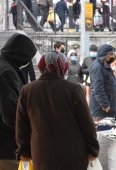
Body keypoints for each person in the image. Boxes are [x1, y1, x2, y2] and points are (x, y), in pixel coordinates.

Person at [16, 51, 99, 170]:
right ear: (63, 66)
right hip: (73, 153)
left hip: (41, 152)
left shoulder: (27, 91)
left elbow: (22, 126)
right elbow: (86, 123)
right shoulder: (73, 89)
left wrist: (23, 150)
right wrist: (92, 149)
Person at [0, 33, 37, 169]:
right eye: (27, 57)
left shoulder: (5, 65)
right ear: (20, 53)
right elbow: (11, 113)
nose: (27, 62)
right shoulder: (6, 72)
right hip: (6, 146)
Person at [89, 44, 116, 121]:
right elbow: (98, 88)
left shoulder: (104, 65)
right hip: (101, 110)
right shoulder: (98, 67)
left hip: (108, 108)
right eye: (110, 54)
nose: (112, 57)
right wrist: (105, 104)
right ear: (104, 55)